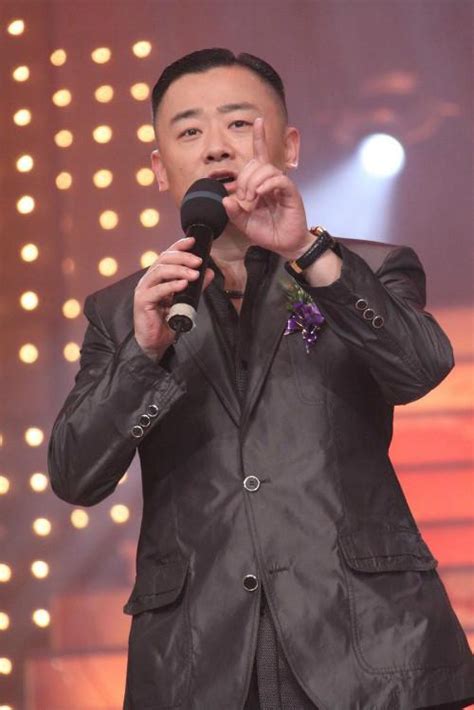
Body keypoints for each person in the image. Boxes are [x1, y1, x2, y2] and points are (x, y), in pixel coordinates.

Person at [48, 48, 474, 710]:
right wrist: (144, 353)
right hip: (197, 665)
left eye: (239, 123)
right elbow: (77, 475)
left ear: (289, 146)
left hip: (371, 650)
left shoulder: (363, 267)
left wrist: (306, 251)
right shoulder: (124, 309)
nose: (216, 145)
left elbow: (420, 368)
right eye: (190, 130)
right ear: (160, 166)